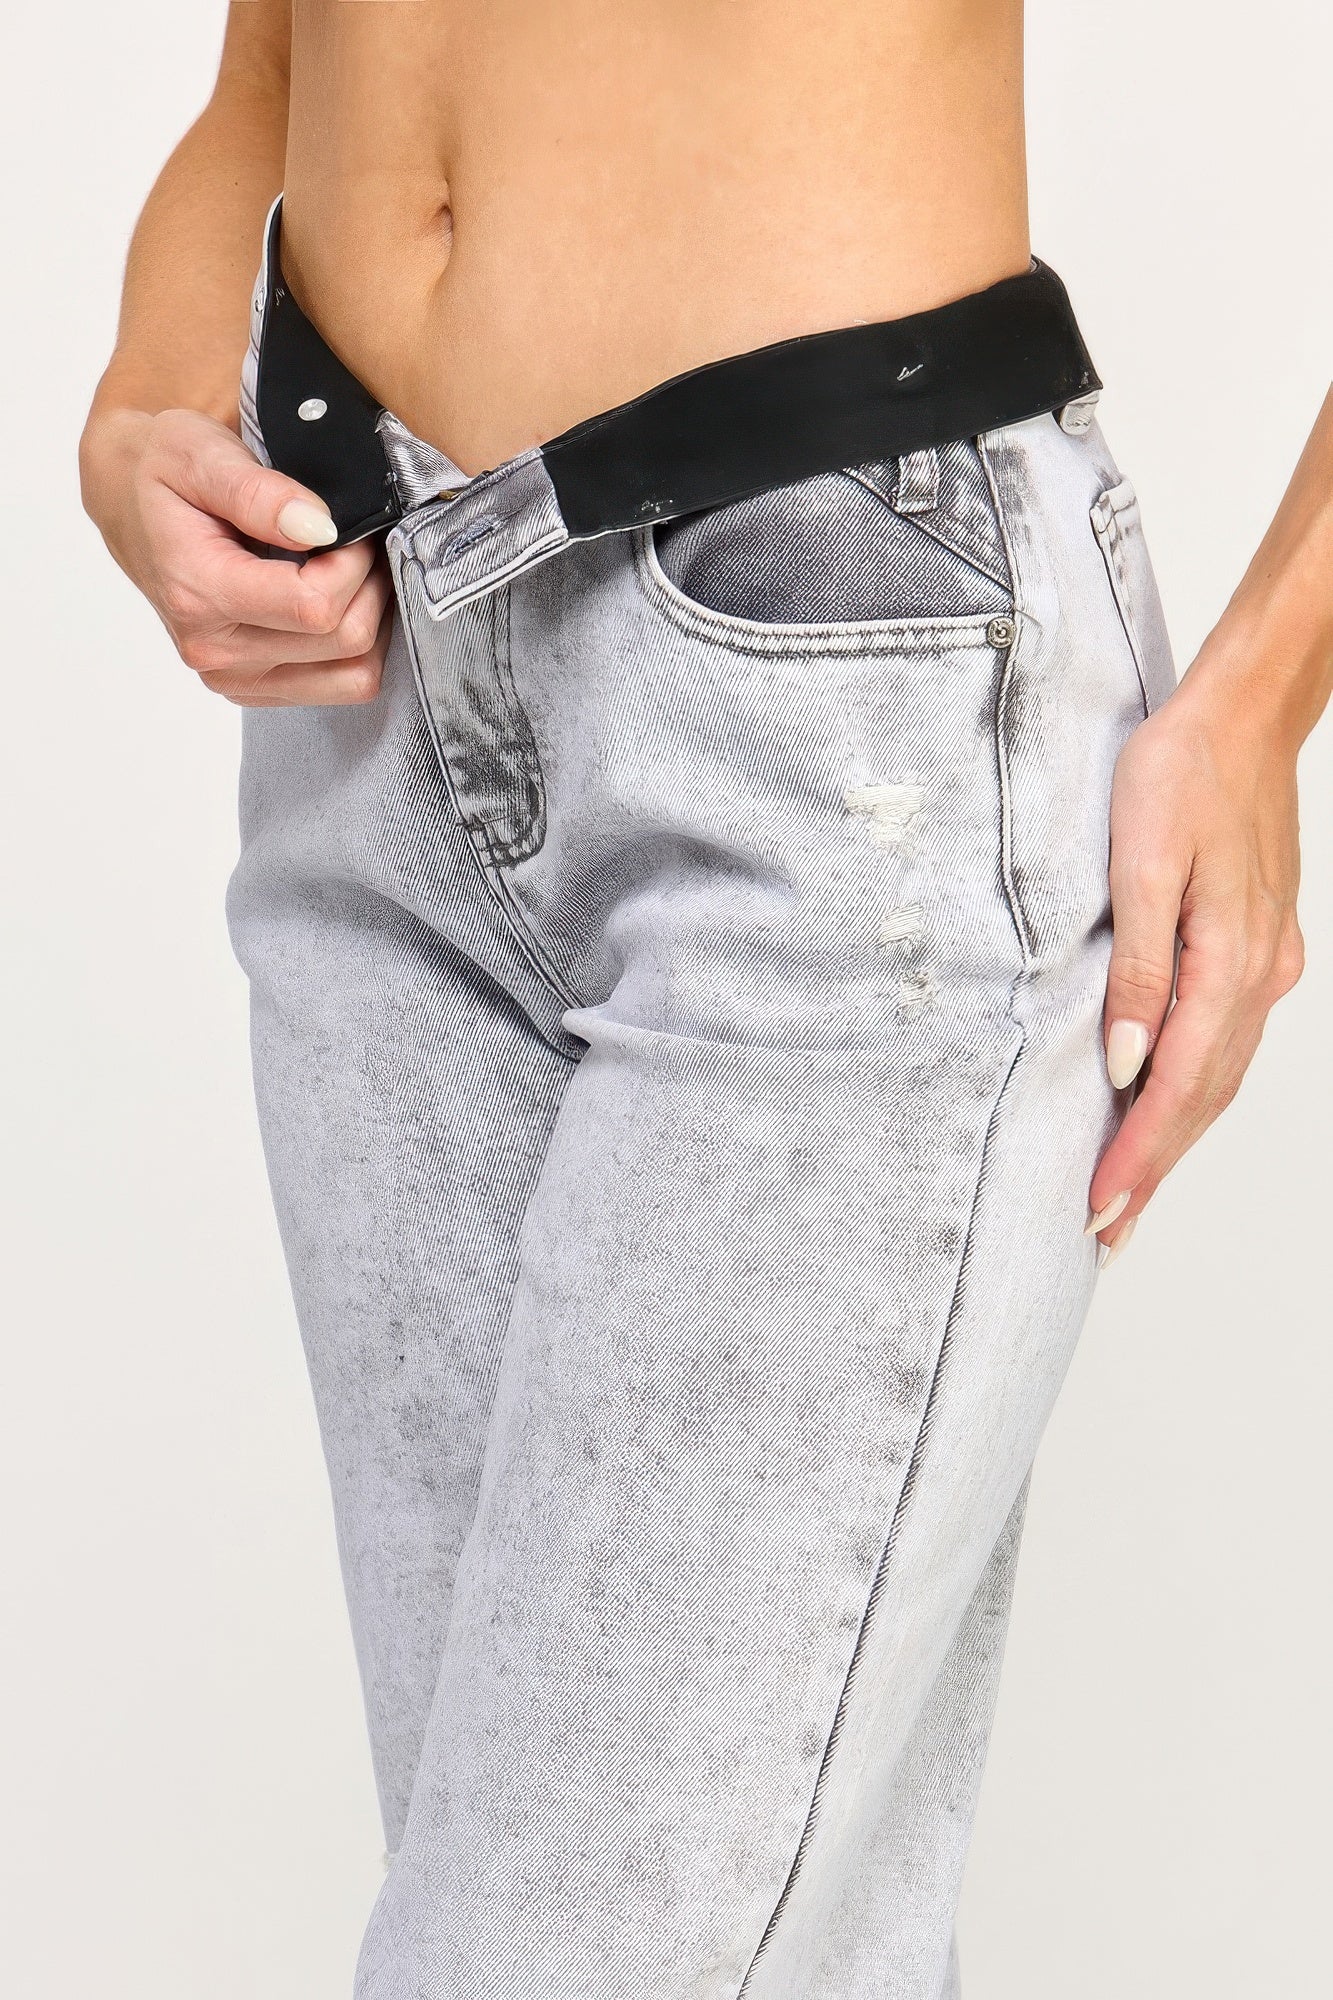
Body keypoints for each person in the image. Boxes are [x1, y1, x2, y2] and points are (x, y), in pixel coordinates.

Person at [79, 4, 1328, 1995]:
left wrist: (1262, 698)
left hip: (832, 700)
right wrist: (154, 390)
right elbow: (267, 75)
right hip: (365, 709)